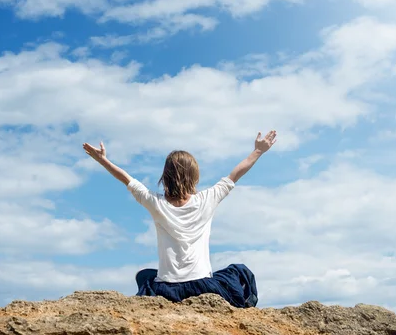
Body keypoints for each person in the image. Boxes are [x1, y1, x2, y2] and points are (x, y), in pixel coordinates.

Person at [82, 130, 277, 308]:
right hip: (204, 286)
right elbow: (236, 174)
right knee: (240, 271)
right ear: (195, 176)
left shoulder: (155, 203)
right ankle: (247, 307)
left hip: (167, 290)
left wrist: (102, 160)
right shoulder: (207, 199)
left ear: (165, 177)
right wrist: (258, 151)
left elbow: (127, 179)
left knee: (144, 276)